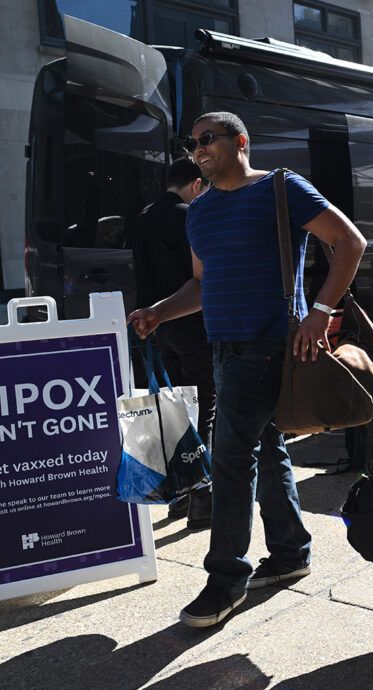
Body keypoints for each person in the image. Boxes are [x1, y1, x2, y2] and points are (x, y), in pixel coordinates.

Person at [128, 111, 367, 627]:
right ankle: (290, 552)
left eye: (207, 139)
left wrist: (320, 313)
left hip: (269, 344)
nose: (198, 150)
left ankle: (225, 579)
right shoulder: (200, 210)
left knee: (229, 457)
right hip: (223, 347)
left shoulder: (282, 190)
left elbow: (349, 243)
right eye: (191, 144)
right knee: (266, 444)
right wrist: (158, 312)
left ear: (241, 140)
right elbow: (201, 285)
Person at [131, 157, 215, 527]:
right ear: (197, 184)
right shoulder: (191, 216)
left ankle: (178, 496)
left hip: (161, 327)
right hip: (194, 324)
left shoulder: (144, 217)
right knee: (203, 413)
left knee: (174, 412)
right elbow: (200, 279)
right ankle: (203, 500)